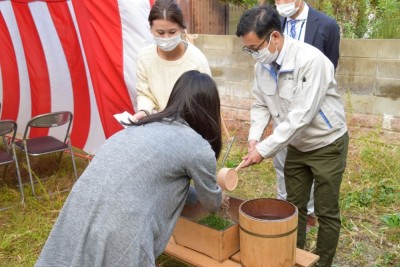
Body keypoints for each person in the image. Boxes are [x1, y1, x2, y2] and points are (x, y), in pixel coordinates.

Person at [35, 70, 228, 267]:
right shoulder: (197, 146)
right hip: (120, 223)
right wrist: (219, 197)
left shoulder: (141, 126)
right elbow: (211, 203)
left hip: (79, 206)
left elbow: (156, 179)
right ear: (210, 108)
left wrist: (196, 196)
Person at [236, 5, 348, 267]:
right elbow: (260, 103)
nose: (253, 55)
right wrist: (254, 137)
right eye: (248, 49)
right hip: (296, 145)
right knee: (293, 207)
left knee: (326, 211)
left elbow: (301, 116)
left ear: (274, 37)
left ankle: (322, 262)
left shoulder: (311, 61)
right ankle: (292, 256)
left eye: (255, 48)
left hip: (326, 144)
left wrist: (264, 149)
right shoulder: (263, 65)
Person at [274, 0, 341, 228]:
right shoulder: (275, 24)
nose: (280, 3)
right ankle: (288, 209)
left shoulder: (326, 25)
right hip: (284, 110)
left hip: (314, 116)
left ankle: (310, 213)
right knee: (283, 163)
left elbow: (330, 67)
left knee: (319, 180)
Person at [131, 0, 211, 122]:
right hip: (157, 123)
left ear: (182, 28)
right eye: (160, 32)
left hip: (189, 126)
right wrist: (144, 111)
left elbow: (206, 102)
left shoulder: (197, 60)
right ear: (151, 29)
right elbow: (145, 93)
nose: (166, 38)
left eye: (172, 32)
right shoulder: (145, 57)